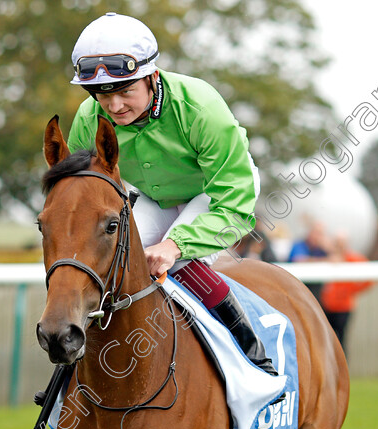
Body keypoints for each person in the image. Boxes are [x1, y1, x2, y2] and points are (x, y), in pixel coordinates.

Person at [64, 13, 278, 376]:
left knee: (171, 260)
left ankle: (251, 349)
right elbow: (81, 194)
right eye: (103, 94)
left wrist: (175, 244)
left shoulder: (200, 108)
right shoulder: (88, 118)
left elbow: (235, 206)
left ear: (152, 77)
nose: (114, 107)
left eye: (125, 91)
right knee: (113, 262)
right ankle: (70, 375)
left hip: (219, 192)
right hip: (154, 197)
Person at [320, 232, 374, 355]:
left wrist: (351, 290)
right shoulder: (329, 258)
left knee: (341, 339)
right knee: (327, 340)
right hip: (327, 305)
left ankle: (342, 370)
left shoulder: (353, 259)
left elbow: (370, 278)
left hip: (343, 307)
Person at [287, 220, 330, 303]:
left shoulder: (321, 249)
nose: (318, 237)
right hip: (296, 291)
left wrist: (328, 248)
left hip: (315, 294)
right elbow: (299, 260)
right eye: (317, 233)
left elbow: (336, 259)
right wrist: (323, 260)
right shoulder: (299, 244)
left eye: (321, 234)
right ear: (310, 233)